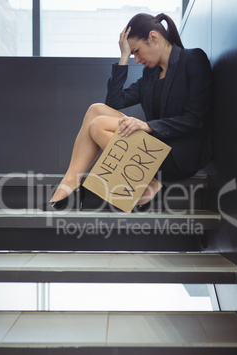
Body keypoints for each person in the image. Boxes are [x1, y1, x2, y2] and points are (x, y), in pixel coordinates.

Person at [47, 12, 212, 211]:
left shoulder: (193, 59)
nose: (136, 59)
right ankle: (70, 185)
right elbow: (114, 102)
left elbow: (195, 119)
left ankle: (148, 187)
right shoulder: (151, 73)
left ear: (153, 37)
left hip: (182, 154)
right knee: (95, 111)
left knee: (98, 125)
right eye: (132, 54)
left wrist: (148, 126)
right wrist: (123, 56)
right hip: (154, 150)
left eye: (136, 51)